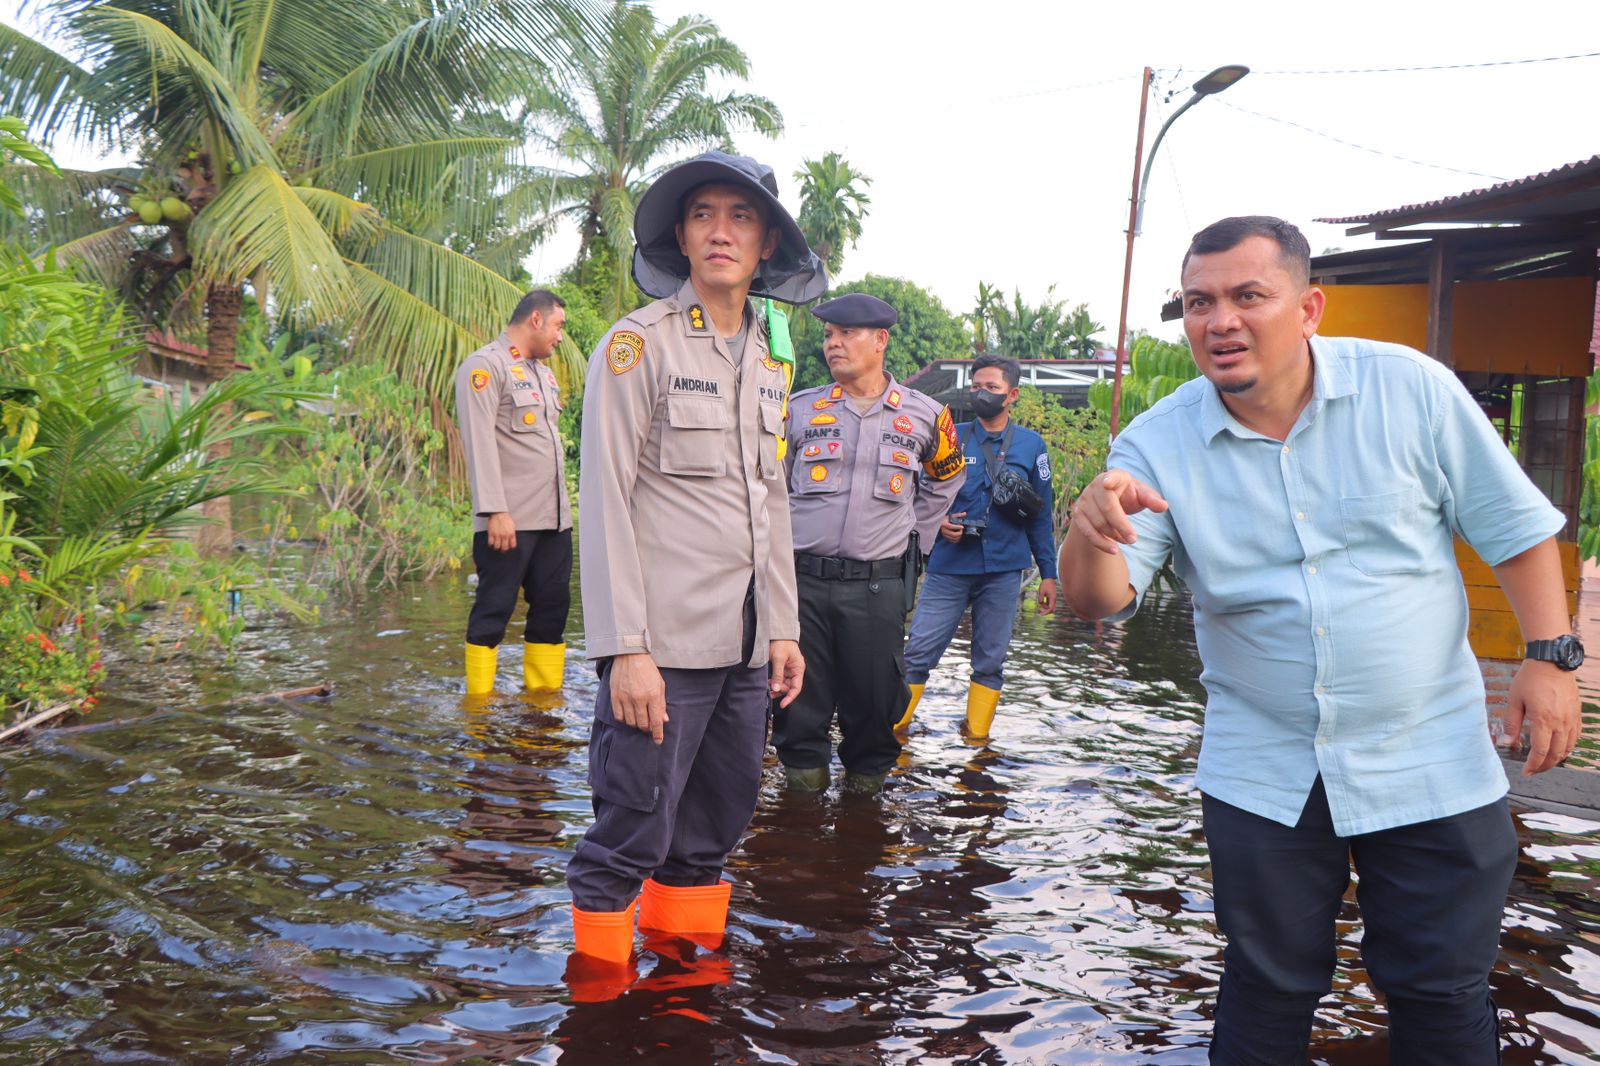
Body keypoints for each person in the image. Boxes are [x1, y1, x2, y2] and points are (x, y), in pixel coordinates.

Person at [1060, 215, 1585, 1064]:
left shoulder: (1410, 390)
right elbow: (1102, 602)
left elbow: (1513, 528)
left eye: (1247, 296)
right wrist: (1088, 530)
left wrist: (1549, 656)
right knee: (1268, 986)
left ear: (1308, 308)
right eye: (1199, 302)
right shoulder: (1156, 443)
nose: (1219, 320)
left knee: (1442, 990)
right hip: (1264, 766)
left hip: (1430, 753)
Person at [566, 150, 825, 974]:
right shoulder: (636, 348)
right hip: (663, 651)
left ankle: (681, 1005)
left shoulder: (771, 360)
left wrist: (783, 628)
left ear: (767, 245)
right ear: (680, 236)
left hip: (745, 650)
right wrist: (624, 650)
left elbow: (771, 501)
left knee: (712, 832)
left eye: (742, 216)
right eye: (705, 214)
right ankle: (600, 1012)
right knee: (628, 833)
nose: (722, 231)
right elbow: (602, 503)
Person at [775, 292, 965, 793]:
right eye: (828, 335)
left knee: (874, 712)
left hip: (877, 591)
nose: (833, 344)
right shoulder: (797, 411)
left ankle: (863, 832)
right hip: (800, 587)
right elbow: (769, 485)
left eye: (846, 334)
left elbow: (946, 480)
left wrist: (913, 544)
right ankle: (800, 824)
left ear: (880, 341)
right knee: (796, 709)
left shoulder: (927, 416)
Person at [898, 353, 1057, 739]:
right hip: (949, 566)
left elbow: (1041, 514)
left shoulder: (1032, 446)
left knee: (990, 662)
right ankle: (893, 731)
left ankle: (976, 742)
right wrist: (938, 525)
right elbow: (916, 495)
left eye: (992, 388)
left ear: (1012, 394)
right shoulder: (949, 437)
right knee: (917, 652)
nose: (981, 393)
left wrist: (1049, 575)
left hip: (1003, 571)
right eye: (976, 387)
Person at [453, 290, 571, 695]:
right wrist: (494, 511)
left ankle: (542, 708)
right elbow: (478, 440)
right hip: (509, 522)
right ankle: (478, 709)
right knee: (493, 612)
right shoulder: (485, 366)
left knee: (553, 613)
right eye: (558, 326)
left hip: (553, 522)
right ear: (536, 320)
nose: (560, 337)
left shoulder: (543, 374)